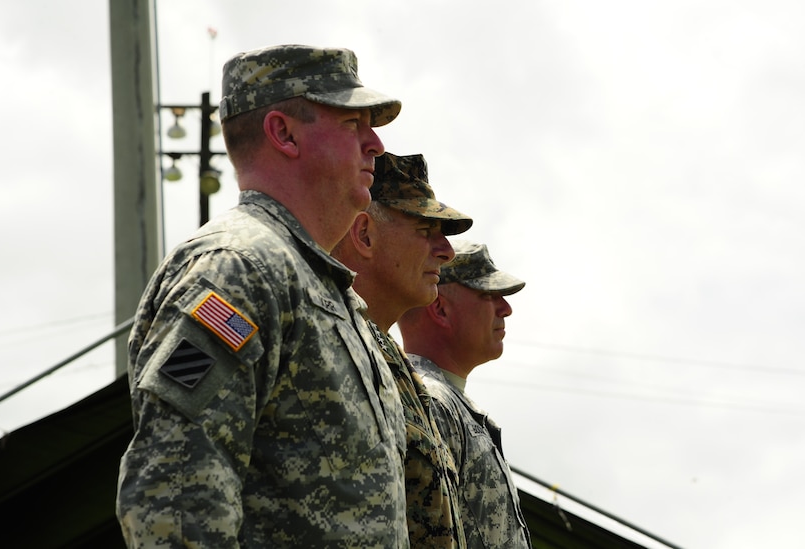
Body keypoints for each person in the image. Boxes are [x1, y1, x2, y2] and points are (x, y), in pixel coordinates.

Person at [117, 45, 410, 548]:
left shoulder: (324, 289)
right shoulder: (239, 271)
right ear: (284, 133)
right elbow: (174, 490)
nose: (376, 144)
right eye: (351, 124)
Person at [331, 152, 472, 548]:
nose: (446, 252)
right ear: (365, 235)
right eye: (427, 231)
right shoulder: (330, 339)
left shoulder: (390, 359)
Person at [398, 240, 533, 548]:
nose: (506, 308)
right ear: (441, 309)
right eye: (488, 295)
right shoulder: (431, 402)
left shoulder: (448, 403)